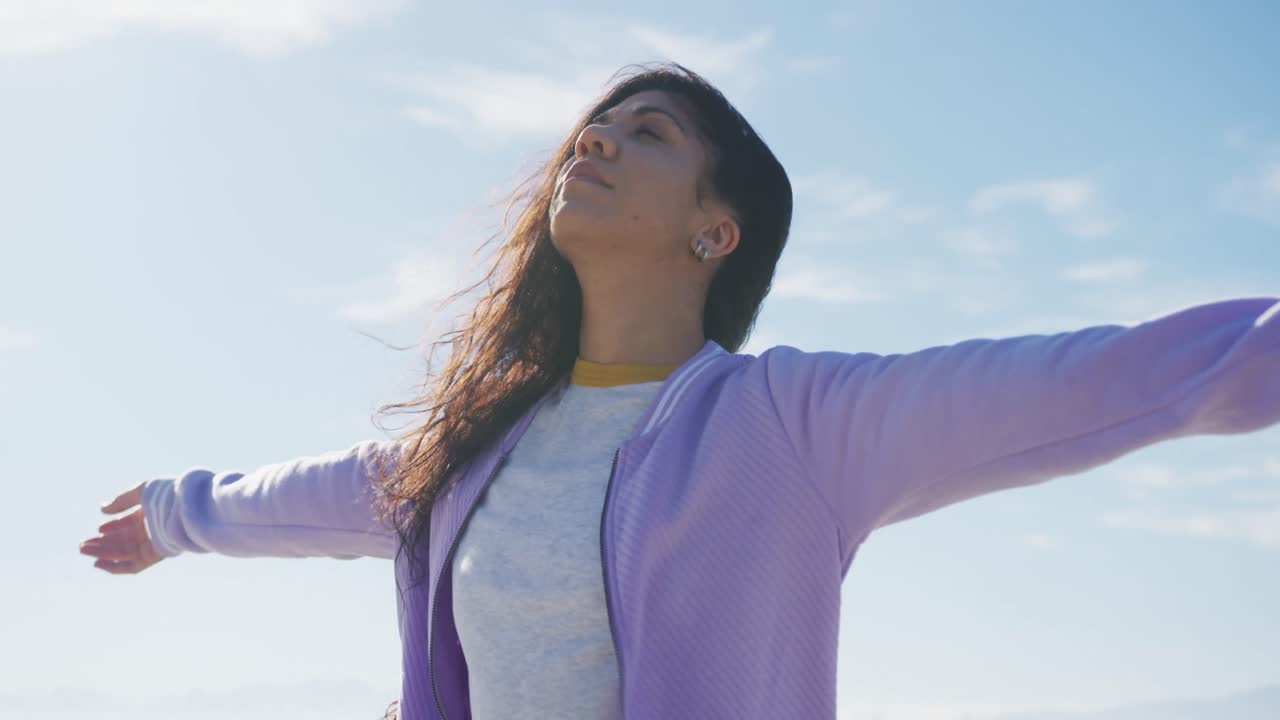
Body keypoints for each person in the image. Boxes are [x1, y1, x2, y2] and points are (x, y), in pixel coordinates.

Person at [79, 61, 1280, 720]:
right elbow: (326, 492)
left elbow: (1096, 381)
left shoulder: (789, 427)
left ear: (717, 231)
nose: (593, 139)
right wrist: (179, 515)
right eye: (593, 128)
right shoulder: (479, 443)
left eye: (645, 133)